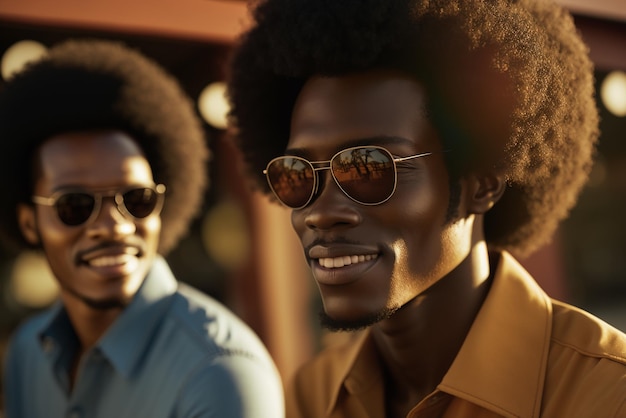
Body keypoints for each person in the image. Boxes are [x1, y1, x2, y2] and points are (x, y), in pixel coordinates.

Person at [226, 0, 626, 416]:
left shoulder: (608, 395)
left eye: (367, 168)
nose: (319, 212)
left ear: (481, 183)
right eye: (298, 173)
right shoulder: (313, 396)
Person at [0, 39, 284, 418]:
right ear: (28, 224)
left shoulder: (218, 372)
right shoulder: (28, 354)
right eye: (75, 206)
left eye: (136, 199)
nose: (113, 226)